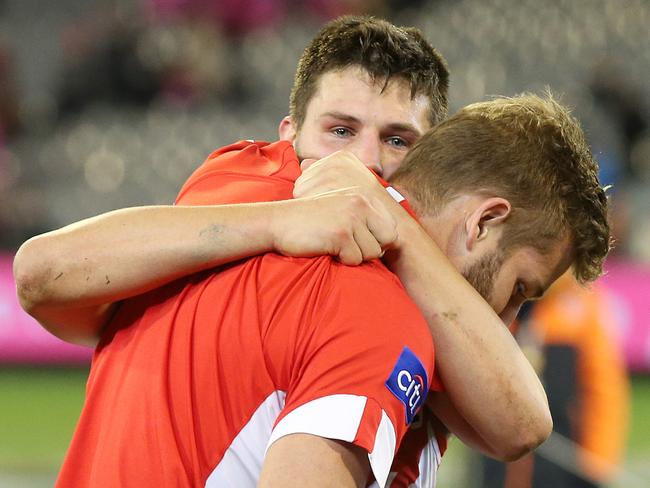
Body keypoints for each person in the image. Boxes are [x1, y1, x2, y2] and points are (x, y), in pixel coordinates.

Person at [13, 16, 610, 485]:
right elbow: (41, 273)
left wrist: (398, 233)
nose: (364, 164)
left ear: (430, 157)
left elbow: (515, 421)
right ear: (286, 137)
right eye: (341, 131)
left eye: (398, 140)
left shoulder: (234, 185)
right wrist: (282, 221)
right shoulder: (366, 303)